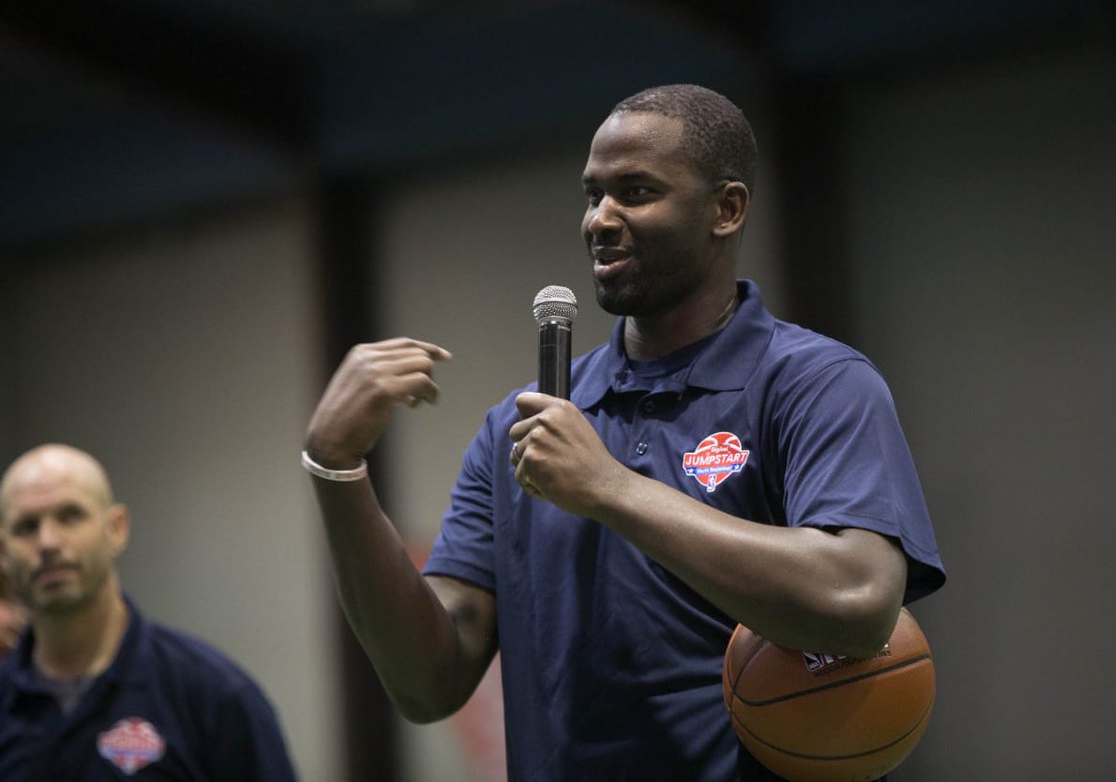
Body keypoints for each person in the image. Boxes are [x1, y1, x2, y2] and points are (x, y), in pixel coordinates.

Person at [303, 83, 946, 780]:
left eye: (636, 192)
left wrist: (609, 488)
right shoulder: (515, 427)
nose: (599, 220)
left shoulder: (813, 382)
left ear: (725, 210)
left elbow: (853, 604)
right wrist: (337, 471)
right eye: (593, 194)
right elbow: (428, 685)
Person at [0, 444, 297, 781]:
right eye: (26, 527)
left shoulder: (213, 696)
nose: (48, 542)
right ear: (3, 552)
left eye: (70, 516)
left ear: (116, 528)